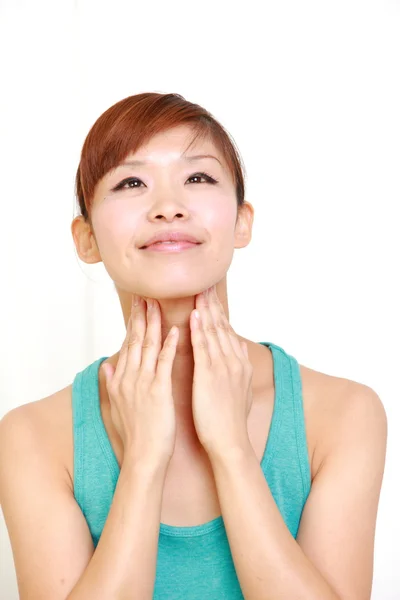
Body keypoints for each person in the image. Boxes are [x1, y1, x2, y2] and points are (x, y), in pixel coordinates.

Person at [0, 92, 387, 600]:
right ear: (87, 238)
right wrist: (143, 460)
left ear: (242, 221)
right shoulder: (31, 437)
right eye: (131, 182)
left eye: (198, 178)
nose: (168, 208)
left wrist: (231, 450)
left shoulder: (343, 413)